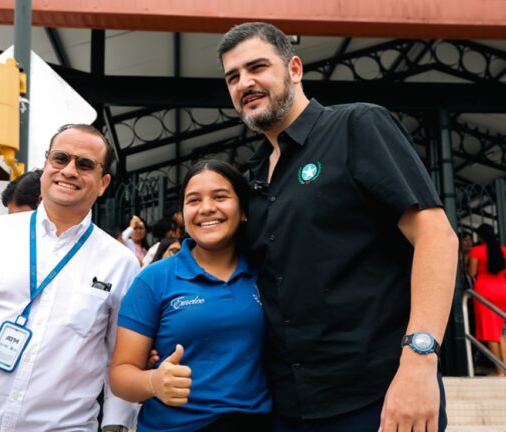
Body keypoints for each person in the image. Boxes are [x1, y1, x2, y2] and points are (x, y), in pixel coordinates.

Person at [217, 22, 458, 431]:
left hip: (381, 398)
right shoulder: (252, 179)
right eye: (232, 77)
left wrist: (419, 361)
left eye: (257, 67)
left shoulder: (356, 126)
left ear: (294, 68)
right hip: (289, 407)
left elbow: (436, 237)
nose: (245, 83)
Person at [0, 124, 139, 432]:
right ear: (46, 164)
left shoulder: (121, 263)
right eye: (60, 158)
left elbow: (119, 358)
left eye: (85, 164)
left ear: (103, 183)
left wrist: (116, 425)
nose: (69, 171)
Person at [110, 160, 272, 432]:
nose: (206, 208)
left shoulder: (267, 273)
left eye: (220, 197)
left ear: (243, 210)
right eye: (194, 200)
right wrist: (153, 382)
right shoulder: (154, 279)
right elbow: (120, 375)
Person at [468, 223, 506, 376]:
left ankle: (500, 371)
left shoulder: (476, 251)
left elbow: (472, 273)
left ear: (480, 237)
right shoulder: (503, 250)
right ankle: (504, 369)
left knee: (491, 333)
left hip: (484, 293)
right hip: (502, 291)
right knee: (501, 333)